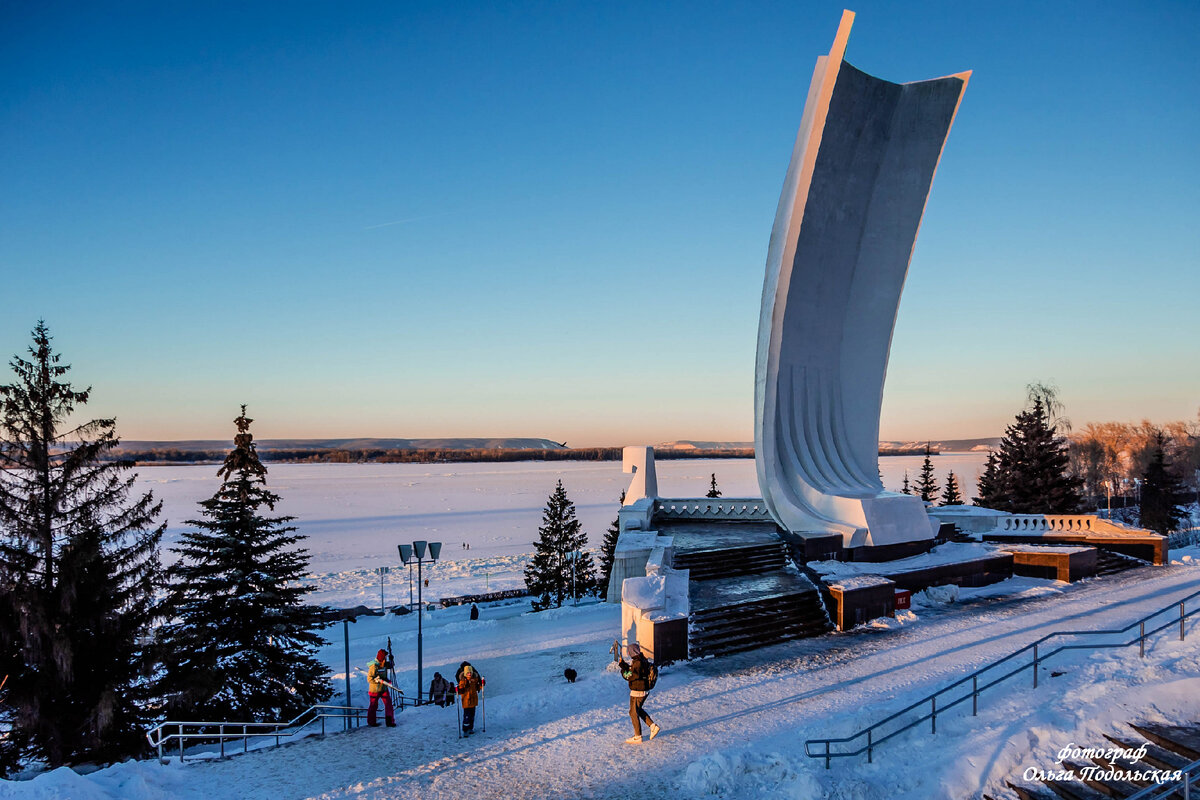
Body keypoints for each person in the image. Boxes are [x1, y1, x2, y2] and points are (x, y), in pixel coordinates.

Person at [619, 643, 659, 744]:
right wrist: (623, 665)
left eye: (629, 651)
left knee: (633, 712)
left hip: (638, 691)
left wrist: (623, 670)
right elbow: (633, 672)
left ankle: (638, 736)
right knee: (638, 710)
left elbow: (629, 676)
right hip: (642, 690)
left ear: (632, 652)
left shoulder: (637, 663)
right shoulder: (641, 660)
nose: (628, 653)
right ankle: (653, 726)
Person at [366, 648, 396, 727]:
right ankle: (371, 722)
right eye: (385, 657)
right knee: (373, 706)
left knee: (389, 705)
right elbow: (369, 679)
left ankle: (390, 722)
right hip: (374, 690)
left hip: (383, 688)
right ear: (381, 658)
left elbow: (391, 665)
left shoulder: (385, 664)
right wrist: (377, 680)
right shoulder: (374, 666)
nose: (386, 659)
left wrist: (392, 659)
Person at [456, 664, 484, 735]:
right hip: (466, 702)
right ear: (465, 673)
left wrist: (481, 684)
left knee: (472, 716)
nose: (469, 674)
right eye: (468, 673)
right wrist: (459, 689)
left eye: (470, 672)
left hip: (473, 701)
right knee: (466, 717)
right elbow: (460, 690)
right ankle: (465, 730)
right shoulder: (463, 681)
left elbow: (477, 688)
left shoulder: (475, 680)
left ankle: (471, 728)